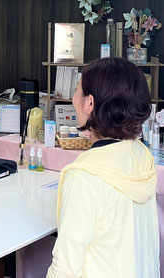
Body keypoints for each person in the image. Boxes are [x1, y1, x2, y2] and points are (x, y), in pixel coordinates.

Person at [46, 58, 159, 277]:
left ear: (90, 103)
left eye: (77, 91)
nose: (73, 98)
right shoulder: (141, 155)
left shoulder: (84, 176)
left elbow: (65, 269)